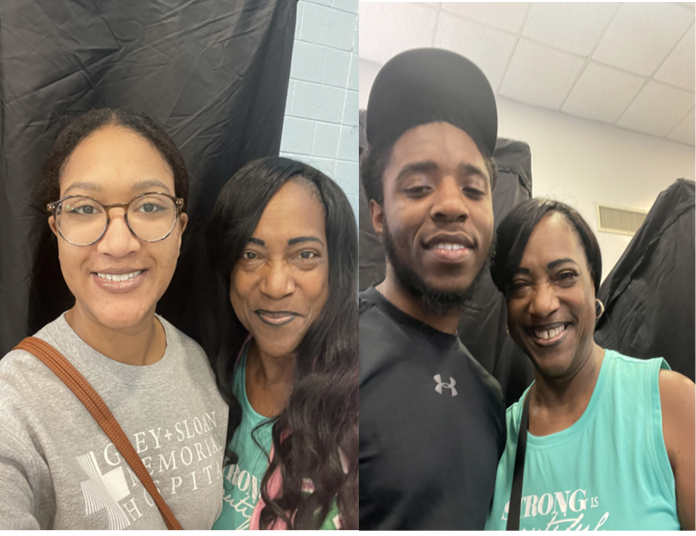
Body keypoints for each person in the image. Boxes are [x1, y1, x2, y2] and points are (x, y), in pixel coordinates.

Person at [0, 108, 228, 530]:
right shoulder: (15, 403)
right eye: (85, 209)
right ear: (57, 230)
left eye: (149, 205)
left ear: (179, 231)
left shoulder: (196, 362)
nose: (119, 243)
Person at [359, 48, 506, 530]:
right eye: (419, 187)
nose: (451, 205)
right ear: (378, 212)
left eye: (472, 189)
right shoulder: (333, 347)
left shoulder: (490, 399)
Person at [486, 199, 695, 530]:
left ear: (593, 283)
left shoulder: (673, 404)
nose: (542, 304)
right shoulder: (498, 438)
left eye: (565, 275)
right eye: (520, 285)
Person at [202, 157, 358, 530]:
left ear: (336, 270)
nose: (274, 285)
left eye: (304, 255)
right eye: (250, 255)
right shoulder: (202, 375)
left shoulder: (361, 410)